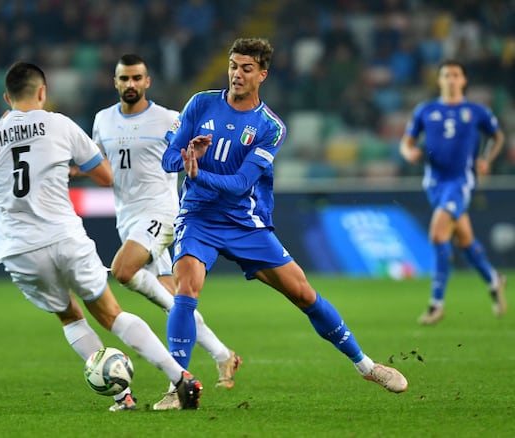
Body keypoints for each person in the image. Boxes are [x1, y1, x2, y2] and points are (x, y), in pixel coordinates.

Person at [161, 37, 408, 410]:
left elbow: (240, 184)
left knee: (304, 294)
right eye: (233, 66)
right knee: (186, 290)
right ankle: (177, 388)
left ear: (262, 74)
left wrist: (197, 173)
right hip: (198, 217)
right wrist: (186, 156)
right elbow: (167, 160)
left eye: (246, 68)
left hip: (245, 223)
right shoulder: (200, 103)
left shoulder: (270, 126)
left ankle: (367, 366)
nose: (237, 74)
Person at [0, 61, 200, 412]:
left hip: (19, 248)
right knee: (111, 313)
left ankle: (123, 396)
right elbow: (104, 176)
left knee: (70, 316)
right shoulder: (60, 125)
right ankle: (180, 377)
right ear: (42, 92)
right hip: (65, 236)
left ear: (7, 98)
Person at [89, 54, 241, 410]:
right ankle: (224, 355)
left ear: (147, 81)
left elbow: (193, 156)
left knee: (123, 270)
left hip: (161, 212)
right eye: (124, 78)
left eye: (136, 78)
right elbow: (100, 164)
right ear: (115, 82)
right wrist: (71, 170)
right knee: (175, 302)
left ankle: (181, 377)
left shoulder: (169, 118)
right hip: (127, 217)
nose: (130, 84)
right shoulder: (102, 120)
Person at [400, 59, 507, 325]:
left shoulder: (476, 111)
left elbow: (498, 137)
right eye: (446, 75)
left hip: (460, 181)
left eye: (455, 75)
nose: (451, 79)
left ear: (464, 80)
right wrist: (409, 152)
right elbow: (406, 142)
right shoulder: (426, 110)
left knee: (438, 234)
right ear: (439, 80)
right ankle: (494, 280)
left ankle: (436, 304)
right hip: (434, 184)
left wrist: (486, 159)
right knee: (465, 240)